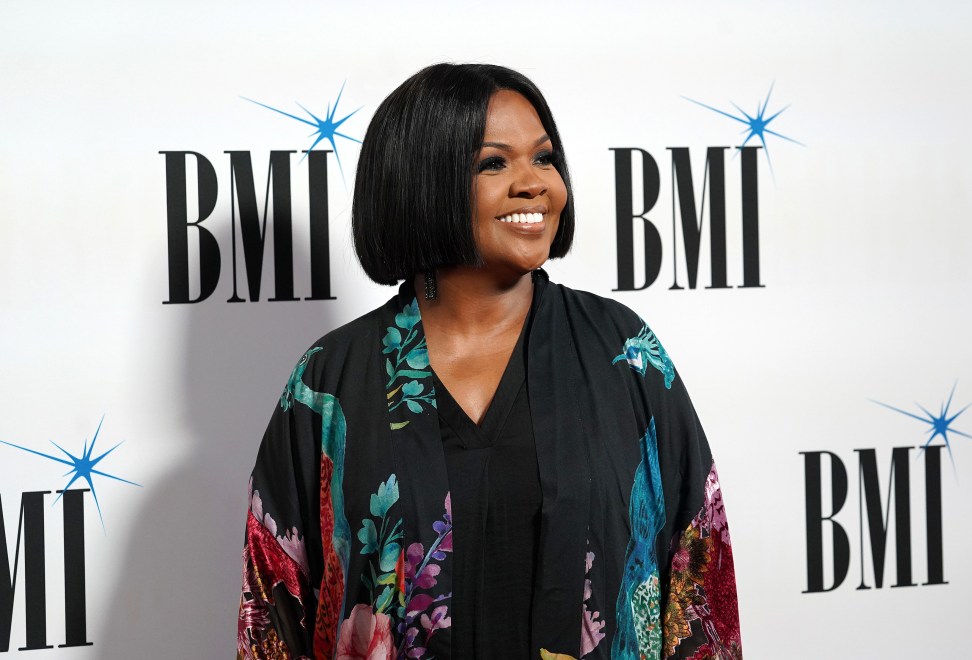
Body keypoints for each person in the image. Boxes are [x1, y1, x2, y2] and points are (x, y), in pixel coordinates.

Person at [237, 63, 742, 660]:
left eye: (544, 158)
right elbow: (272, 616)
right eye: (494, 163)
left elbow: (699, 582)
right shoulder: (331, 381)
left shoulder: (623, 353)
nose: (535, 184)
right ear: (424, 181)